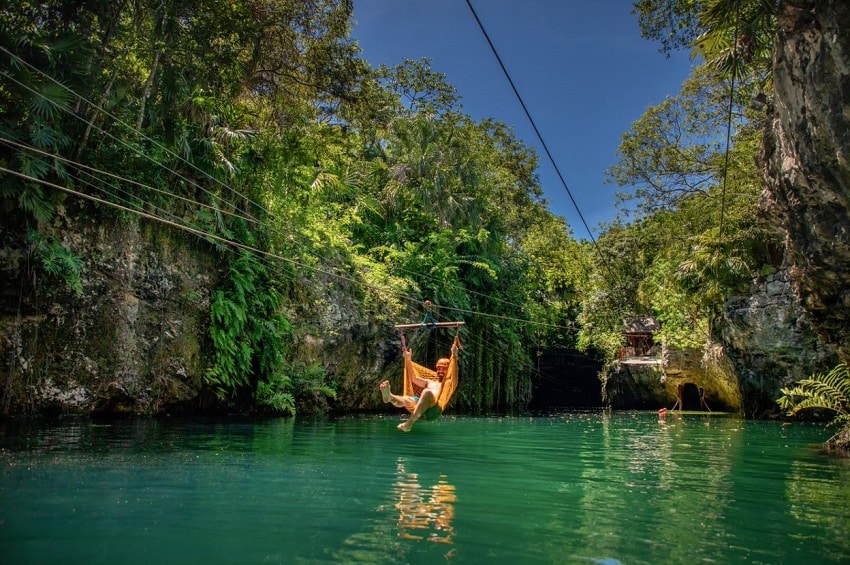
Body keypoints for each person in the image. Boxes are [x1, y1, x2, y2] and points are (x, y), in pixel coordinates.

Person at [379, 338, 459, 432]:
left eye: (443, 368)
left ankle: (409, 423)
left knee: (426, 392)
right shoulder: (430, 382)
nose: (440, 371)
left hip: (433, 410)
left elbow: (454, 372)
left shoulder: (449, 383)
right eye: (438, 368)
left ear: (448, 369)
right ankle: (389, 397)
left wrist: (454, 355)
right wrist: (408, 359)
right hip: (420, 405)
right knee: (407, 399)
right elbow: (413, 378)